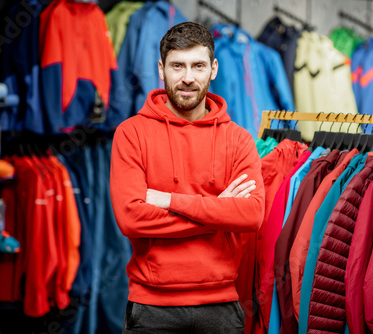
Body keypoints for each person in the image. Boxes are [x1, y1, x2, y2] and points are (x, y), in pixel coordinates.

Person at [110, 22, 265, 333]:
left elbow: (251, 215)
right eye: (177, 66)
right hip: (152, 309)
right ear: (161, 69)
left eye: (198, 65)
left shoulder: (239, 139)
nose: (188, 77)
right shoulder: (131, 134)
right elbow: (131, 219)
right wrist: (219, 212)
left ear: (214, 69)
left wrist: (168, 200)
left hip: (220, 308)